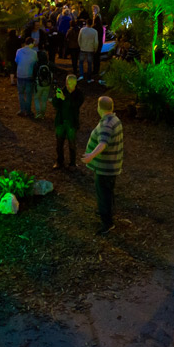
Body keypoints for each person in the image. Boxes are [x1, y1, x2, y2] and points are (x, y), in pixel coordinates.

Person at [81, 96, 124, 235]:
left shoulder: (106, 124)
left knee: (103, 194)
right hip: (112, 165)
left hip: (105, 168)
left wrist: (90, 156)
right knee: (108, 192)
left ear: (99, 107)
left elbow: (103, 143)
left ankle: (107, 223)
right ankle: (108, 213)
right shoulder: (115, 119)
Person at [52, 74, 84, 169]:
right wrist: (57, 98)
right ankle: (59, 161)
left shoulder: (79, 94)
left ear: (75, 84)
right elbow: (55, 105)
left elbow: (74, 106)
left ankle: (72, 163)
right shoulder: (62, 91)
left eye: (72, 84)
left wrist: (63, 99)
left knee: (72, 144)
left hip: (72, 122)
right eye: (68, 83)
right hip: (61, 121)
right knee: (59, 144)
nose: (70, 86)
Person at [15, 37, 38, 117]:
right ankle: (28, 111)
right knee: (28, 94)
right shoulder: (34, 53)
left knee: (21, 93)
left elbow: (16, 61)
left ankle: (22, 109)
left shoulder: (19, 51)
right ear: (31, 43)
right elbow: (35, 62)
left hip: (20, 74)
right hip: (29, 75)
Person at [33, 50, 53, 119]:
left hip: (38, 84)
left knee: (36, 98)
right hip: (47, 84)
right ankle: (43, 114)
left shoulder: (37, 64)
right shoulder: (49, 64)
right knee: (44, 100)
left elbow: (34, 74)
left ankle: (38, 113)